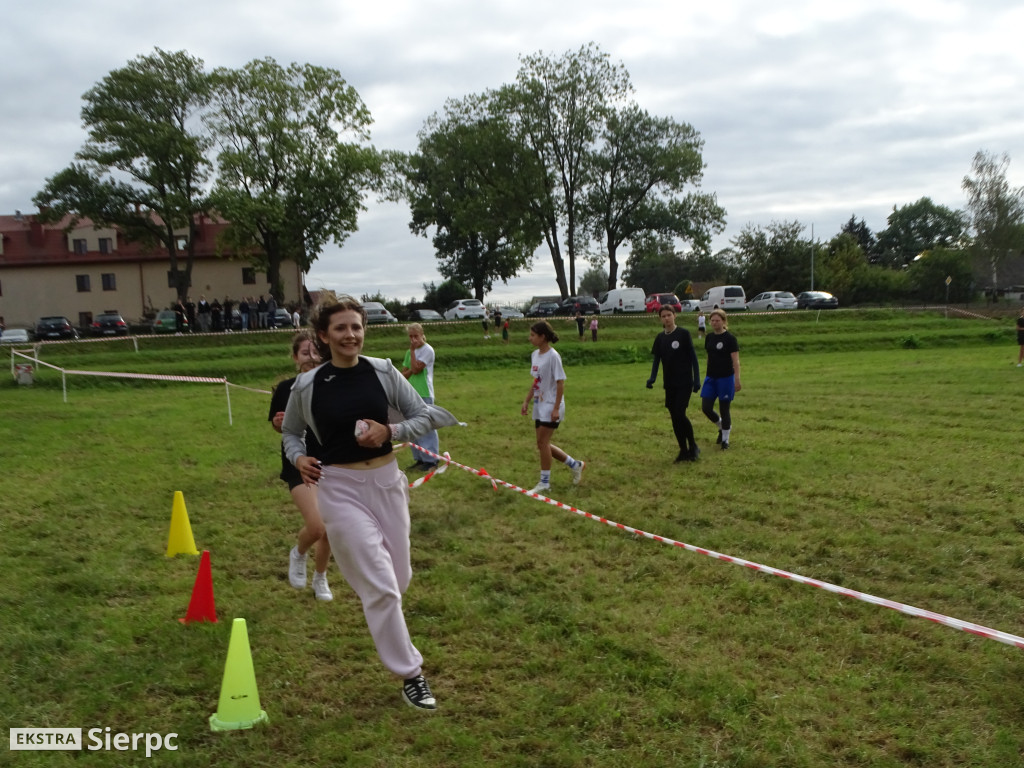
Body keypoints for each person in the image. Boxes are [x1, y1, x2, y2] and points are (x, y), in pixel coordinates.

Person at [282, 294, 461, 711]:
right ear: (324, 335)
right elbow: (291, 433)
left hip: (386, 483)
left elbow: (424, 415)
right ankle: (411, 674)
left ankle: (383, 612)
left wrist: (390, 433)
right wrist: (298, 456)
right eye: (341, 328)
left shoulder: (382, 372)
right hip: (338, 488)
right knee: (381, 588)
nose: (351, 335)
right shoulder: (307, 385)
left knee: (398, 581)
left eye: (357, 327)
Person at [269, 331, 333, 602]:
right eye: (305, 353)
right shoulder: (286, 389)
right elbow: (278, 424)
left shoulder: (333, 383)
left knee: (330, 529)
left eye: (316, 352)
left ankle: (320, 578)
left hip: (332, 461)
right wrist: (278, 423)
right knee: (317, 526)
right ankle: (299, 552)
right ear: (295, 358)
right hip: (299, 463)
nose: (311, 357)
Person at [520, 320, 585, 494]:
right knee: (542, 444)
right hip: (539, 405)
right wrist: (526, 401)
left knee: (543, 443)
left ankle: (544, 483)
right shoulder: (535, 355)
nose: (530, 338)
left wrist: (556, 408)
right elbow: (536, 381)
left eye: (533, 335)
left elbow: (560, 383)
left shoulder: (553, 356)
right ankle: (575, 464)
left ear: (543, 337)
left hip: (551, 405)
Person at [647, 305, 701, 461]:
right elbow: (657, 360)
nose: (666, 318)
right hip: (669, 383)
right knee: (674, 416)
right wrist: (652, 378)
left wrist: (696, 379)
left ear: (674, 316)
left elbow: (693, 359)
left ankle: (693, 446)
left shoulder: (683, 334)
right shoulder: (660, 338)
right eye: (663, 316)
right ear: (660, 319)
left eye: (669, 315)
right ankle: (683, 450)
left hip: (684, 382)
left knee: (680, 413)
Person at [700, 309, 741, 450]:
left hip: (726, 378)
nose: (714, 323)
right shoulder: (709, 337)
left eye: (717, 320)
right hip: (711, 377)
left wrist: (737, 379)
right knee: (706, 407)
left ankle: (725, 440)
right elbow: (709, 356)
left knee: (724, 408)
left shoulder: (730, 339)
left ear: (724, 321)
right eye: (712, 320)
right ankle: (721, 426)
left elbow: (735, 361)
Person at [401, 323, 440, 472]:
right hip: (410, 392)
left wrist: (412, 354)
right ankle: (419, 458)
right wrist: (411, 359)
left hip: (424, 392)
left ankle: (431, 459)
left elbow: (416, 370)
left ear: (421, 334)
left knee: (426, 426)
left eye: (415, 336)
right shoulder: (408, 352)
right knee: (412, 426)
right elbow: (403, 374)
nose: (413, 340)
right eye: (410, 337)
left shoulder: (427, 350)